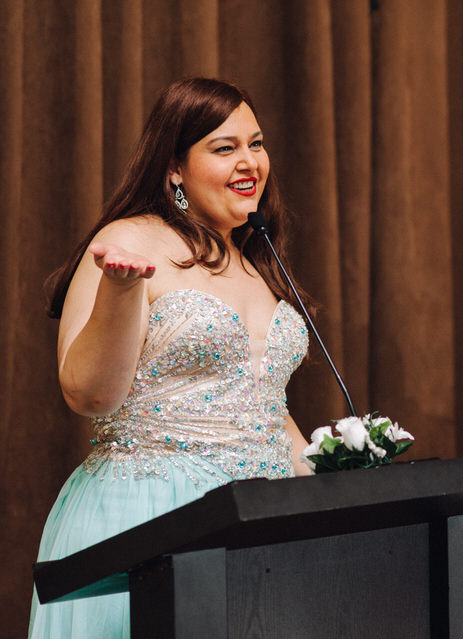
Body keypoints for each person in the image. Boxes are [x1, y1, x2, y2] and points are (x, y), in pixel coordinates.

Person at [29, 78, 315, 638]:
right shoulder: (128, 242)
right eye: (225, 147)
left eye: (256, 143)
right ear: (174, 169)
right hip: (149, 512)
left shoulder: (256, 262)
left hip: (259, 528)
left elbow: (264, 412)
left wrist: (342, 476)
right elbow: (88, 395)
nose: (250, 162)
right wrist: (119, 290)